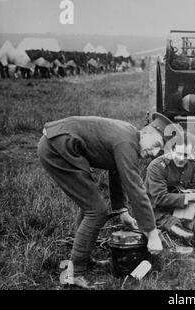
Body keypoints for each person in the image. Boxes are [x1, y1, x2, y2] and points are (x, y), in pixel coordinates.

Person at [37, 113, 176, 288]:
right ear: (147, 132)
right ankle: (74, 274)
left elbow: (117, 171)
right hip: (56, 149)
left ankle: (83, 259)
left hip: (59, 144)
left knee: (90, 206)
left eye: (160, 151)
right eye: (156, 145)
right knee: (96, 211)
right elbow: (136, 189)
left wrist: (121, 211)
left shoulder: (131, 137)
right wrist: (152, 232)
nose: (154, 153)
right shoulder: (126, 143)